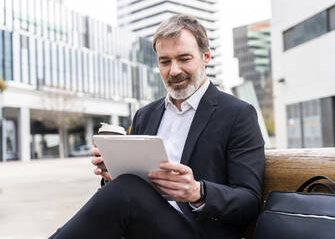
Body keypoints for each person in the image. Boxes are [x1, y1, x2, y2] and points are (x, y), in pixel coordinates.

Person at [49, 15, 265, 239]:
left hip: (200, 231)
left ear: (206, 57)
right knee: (124, 187)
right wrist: (111, 174)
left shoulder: (238, 114)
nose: (173, 70)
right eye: (165, 61)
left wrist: (198, 192)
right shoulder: (146, 114)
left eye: (184, 58)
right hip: (141, 226)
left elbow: (249, 202)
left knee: (126, 190)